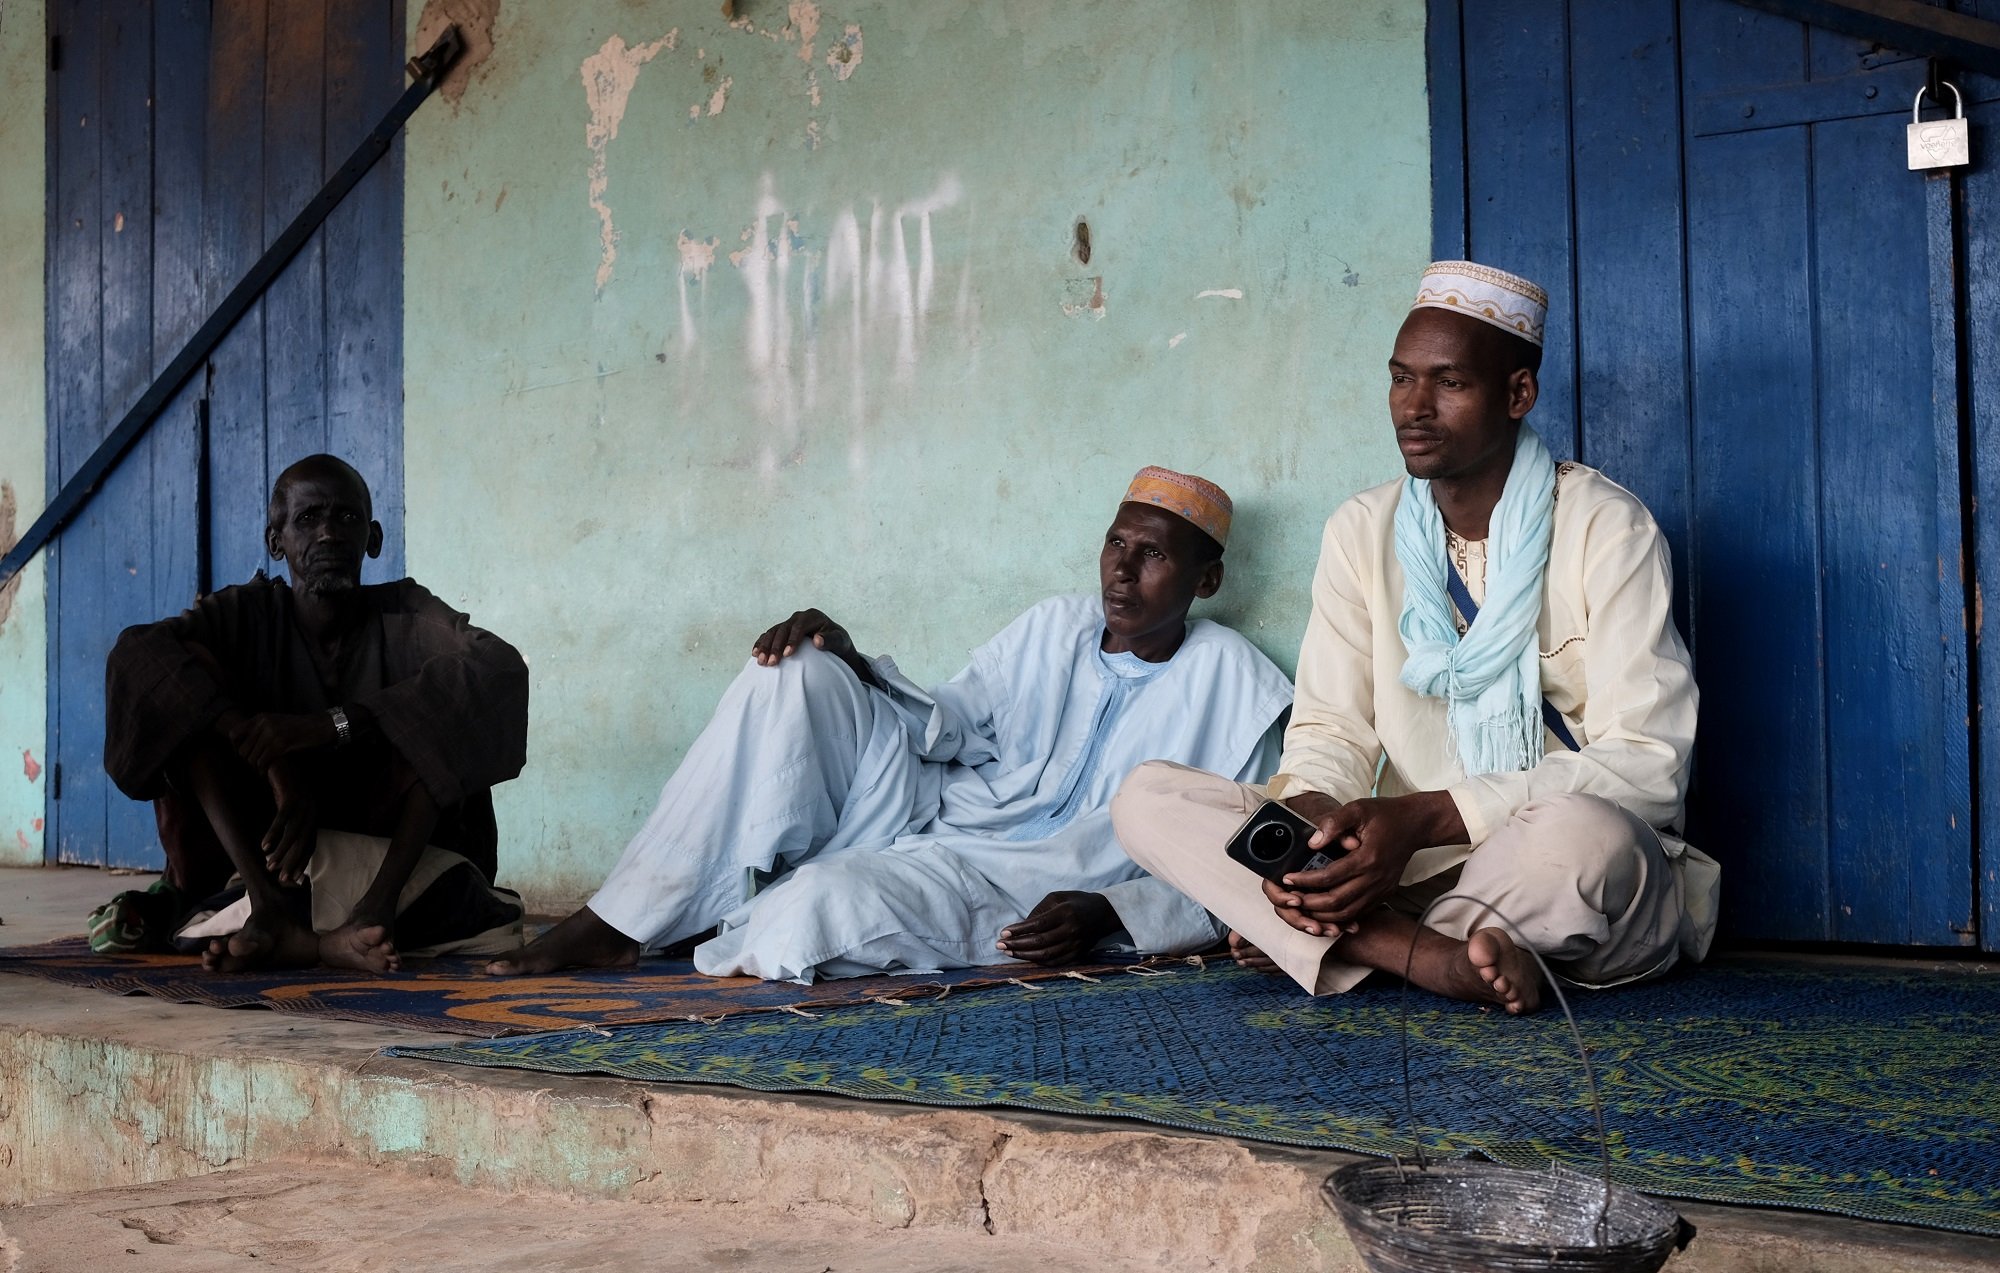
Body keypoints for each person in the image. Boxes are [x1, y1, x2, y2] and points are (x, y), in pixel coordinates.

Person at [1112, 263, 1720, 1014]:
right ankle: (1432, 955)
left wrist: (1430, 814)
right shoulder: (1361, 531)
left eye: (1449, 383)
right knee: (1149, 797)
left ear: (1517, 394)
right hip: (1403, 871)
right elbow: (1331, 732)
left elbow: (1649, 767)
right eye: (1401, 379)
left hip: (1547, 869)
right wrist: (1309, 831)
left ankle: (1346, 939)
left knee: (1586, 837)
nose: (1414, 407)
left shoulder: (1607, 527)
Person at [487, 467, 1293, 982]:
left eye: (1152, 555)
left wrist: (1110, 913)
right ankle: (616, 918)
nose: (1120, 569)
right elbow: (953, 721)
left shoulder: (1239, 685)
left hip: (1017, 878)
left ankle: (682, 916)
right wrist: (853, 660)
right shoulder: (1056, 624)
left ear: (1207, 577)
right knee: (794, 670)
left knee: (808, 913)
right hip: (933, 802)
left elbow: (1239, 869)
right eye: (1116, 543)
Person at [100, 454, 530, 972]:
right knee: (180, 678)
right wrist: (273, 759)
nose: (328, 534)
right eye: (307, 519)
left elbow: (499, 667)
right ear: (275, 541)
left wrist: (331, 725)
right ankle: (268, 907)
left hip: (390, 859)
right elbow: (138, 656)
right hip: (273, 859)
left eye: (346, 518)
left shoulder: (405, 615)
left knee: (452, 693)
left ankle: (371, 915)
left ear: (372, 540)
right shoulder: (245, 615)